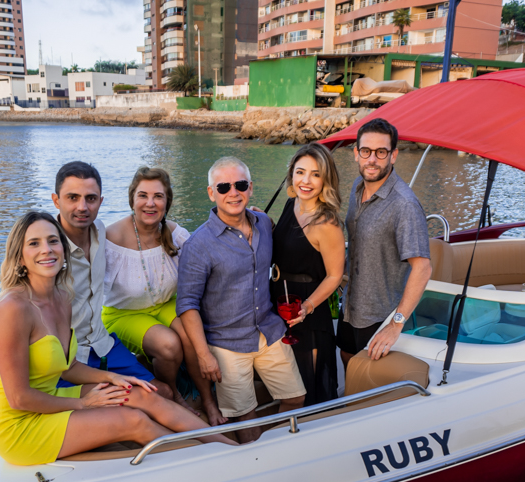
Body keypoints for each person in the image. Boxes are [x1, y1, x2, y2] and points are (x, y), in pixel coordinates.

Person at [0, 211, 234, 465]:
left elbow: (69, 368)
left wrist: (112, 378)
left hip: (52, 395)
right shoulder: (11, 310)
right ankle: (210, 462)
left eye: (53, 241)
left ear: (63, 248)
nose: (46, 250)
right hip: (20, 425)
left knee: (142, 394)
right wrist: (84, 404)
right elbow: (18, 398)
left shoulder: (62, 298)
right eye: (34, 243)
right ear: (19, 256)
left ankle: (229, 447)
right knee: (133, 420)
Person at [177, 156, 307, 443]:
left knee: (296, 399)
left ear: (251, 188)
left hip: (269, 330)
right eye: (223, 187)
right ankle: (258, 457)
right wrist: (204, 355)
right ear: (211, 193)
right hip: (226, 342)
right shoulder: (198, 245)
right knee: (245, 417)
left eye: (240, 185)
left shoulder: (264, 223)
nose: (233, 192)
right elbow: (187, 304)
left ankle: (277, 448)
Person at [103, 167, 226, 426]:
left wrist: (250, 220)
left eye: (158, 196)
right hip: (123, 313)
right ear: (132, 200)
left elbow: (210, 254)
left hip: (167, 304)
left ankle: (208, 400)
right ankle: (175, 397)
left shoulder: (175, 233)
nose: (150, 203)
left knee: (192, 334)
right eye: (143, 195)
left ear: (167, 202)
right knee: (169, 344)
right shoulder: (110, 238)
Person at [50, 161, 172, 400]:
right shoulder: (48, 251)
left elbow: (144, 230)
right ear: (56, 200)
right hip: (68, 361)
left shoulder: (100, 232)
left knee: (163, 392)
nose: (82, 207)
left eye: (91, 199)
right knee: (136, 403)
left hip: (102, 344)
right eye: (72, 198)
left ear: (101, 201)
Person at [338, 118, 432, 368]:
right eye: (366, 151)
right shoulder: (358, 186)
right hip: (351, 304)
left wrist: (395, 324)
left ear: (393, 155)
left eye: (381, 152)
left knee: (368, 375)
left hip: (380, 314)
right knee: (346, 356)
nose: (372, 159)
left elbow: (423, 267)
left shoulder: (404, 205)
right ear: (356, 153)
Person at [271, 143, 346, 405]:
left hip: (307, 308)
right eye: (300, 172)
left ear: (325, 179)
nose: (306, 181)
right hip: (279, 301)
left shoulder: (327, 223)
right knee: (285, 382)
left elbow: (335, 276)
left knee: (307, 386)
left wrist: (307, 307)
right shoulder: (290, 205)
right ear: (292, 173)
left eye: (315, 174)